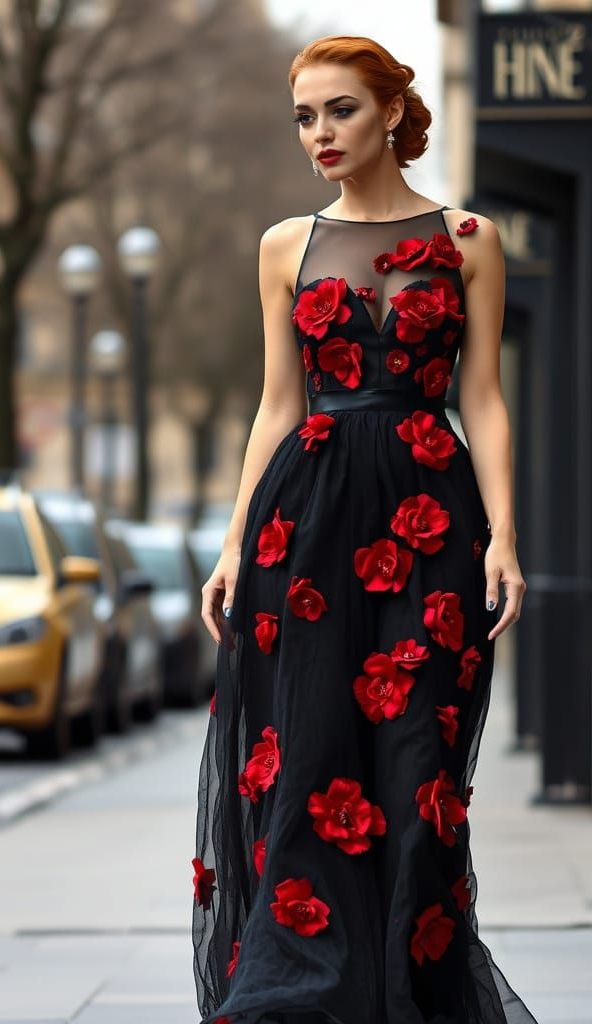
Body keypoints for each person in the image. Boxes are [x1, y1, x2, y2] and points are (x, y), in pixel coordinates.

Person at [193, 34, 536, 1024]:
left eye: (339, 110)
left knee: (419, 772)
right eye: (304, 117)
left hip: (433, 522)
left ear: (391, 111)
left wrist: (504, 536)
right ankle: (300, 998)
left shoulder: (470, 239)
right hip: (305, 528)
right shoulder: (283, 246)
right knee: (307, 764)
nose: (320, 134)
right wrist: (232, 544)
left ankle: (407, 996)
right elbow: (275, 405)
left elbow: (484, 397)